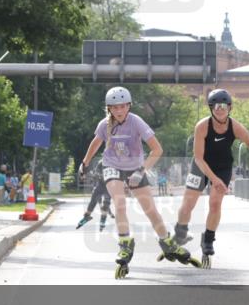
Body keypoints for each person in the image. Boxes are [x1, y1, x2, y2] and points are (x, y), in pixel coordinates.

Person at [80, 86, 201, 279]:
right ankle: (125, 245)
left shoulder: (136, 122)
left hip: (135, 168)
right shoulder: (105, 124)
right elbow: (95, 143)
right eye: (114, 107)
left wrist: (140, 170)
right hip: (111, 166)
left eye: (122, 107)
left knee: (150, 210)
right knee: (119, 204)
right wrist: (85, 163)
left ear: (128, 106)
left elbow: (157, 150)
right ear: (109, 108)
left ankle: (167, 242)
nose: (119, 111)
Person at [168, 88, 249, 268]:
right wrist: (213, 179)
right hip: (201, 165)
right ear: (211, 108)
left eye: (223, 106)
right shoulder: (202, 126)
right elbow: (198, 158)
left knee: (215, 203)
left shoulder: (235, 126)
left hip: (223, 167)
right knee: (188, 204)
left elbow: (248, 140)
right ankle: (180, 232)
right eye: (215, 106)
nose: (219, 109)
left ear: (229, 108)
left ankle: (208, 239)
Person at [77, 161, 114, 231]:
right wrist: (94, 175)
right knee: (93, 200)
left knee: (106, 202)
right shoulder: (101, 162)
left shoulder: (115, 163)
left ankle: (103, 220)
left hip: (110, 185)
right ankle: (87, 216)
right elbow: (95, 173)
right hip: (101, 184)